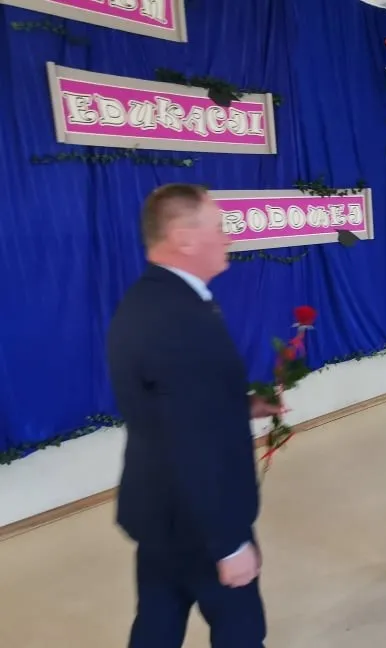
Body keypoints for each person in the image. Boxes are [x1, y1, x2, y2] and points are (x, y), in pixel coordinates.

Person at [107, 184, 280, 648]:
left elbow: (174, 409)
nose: (229, 237)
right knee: (240, 633)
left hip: (159, 510)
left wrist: (243, 405)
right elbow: (192, 444)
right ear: (183, 238)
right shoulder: (181, 320)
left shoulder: (150, 300)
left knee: (158, 624)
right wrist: (228, 543)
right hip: (200, 523)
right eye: (219, 228)